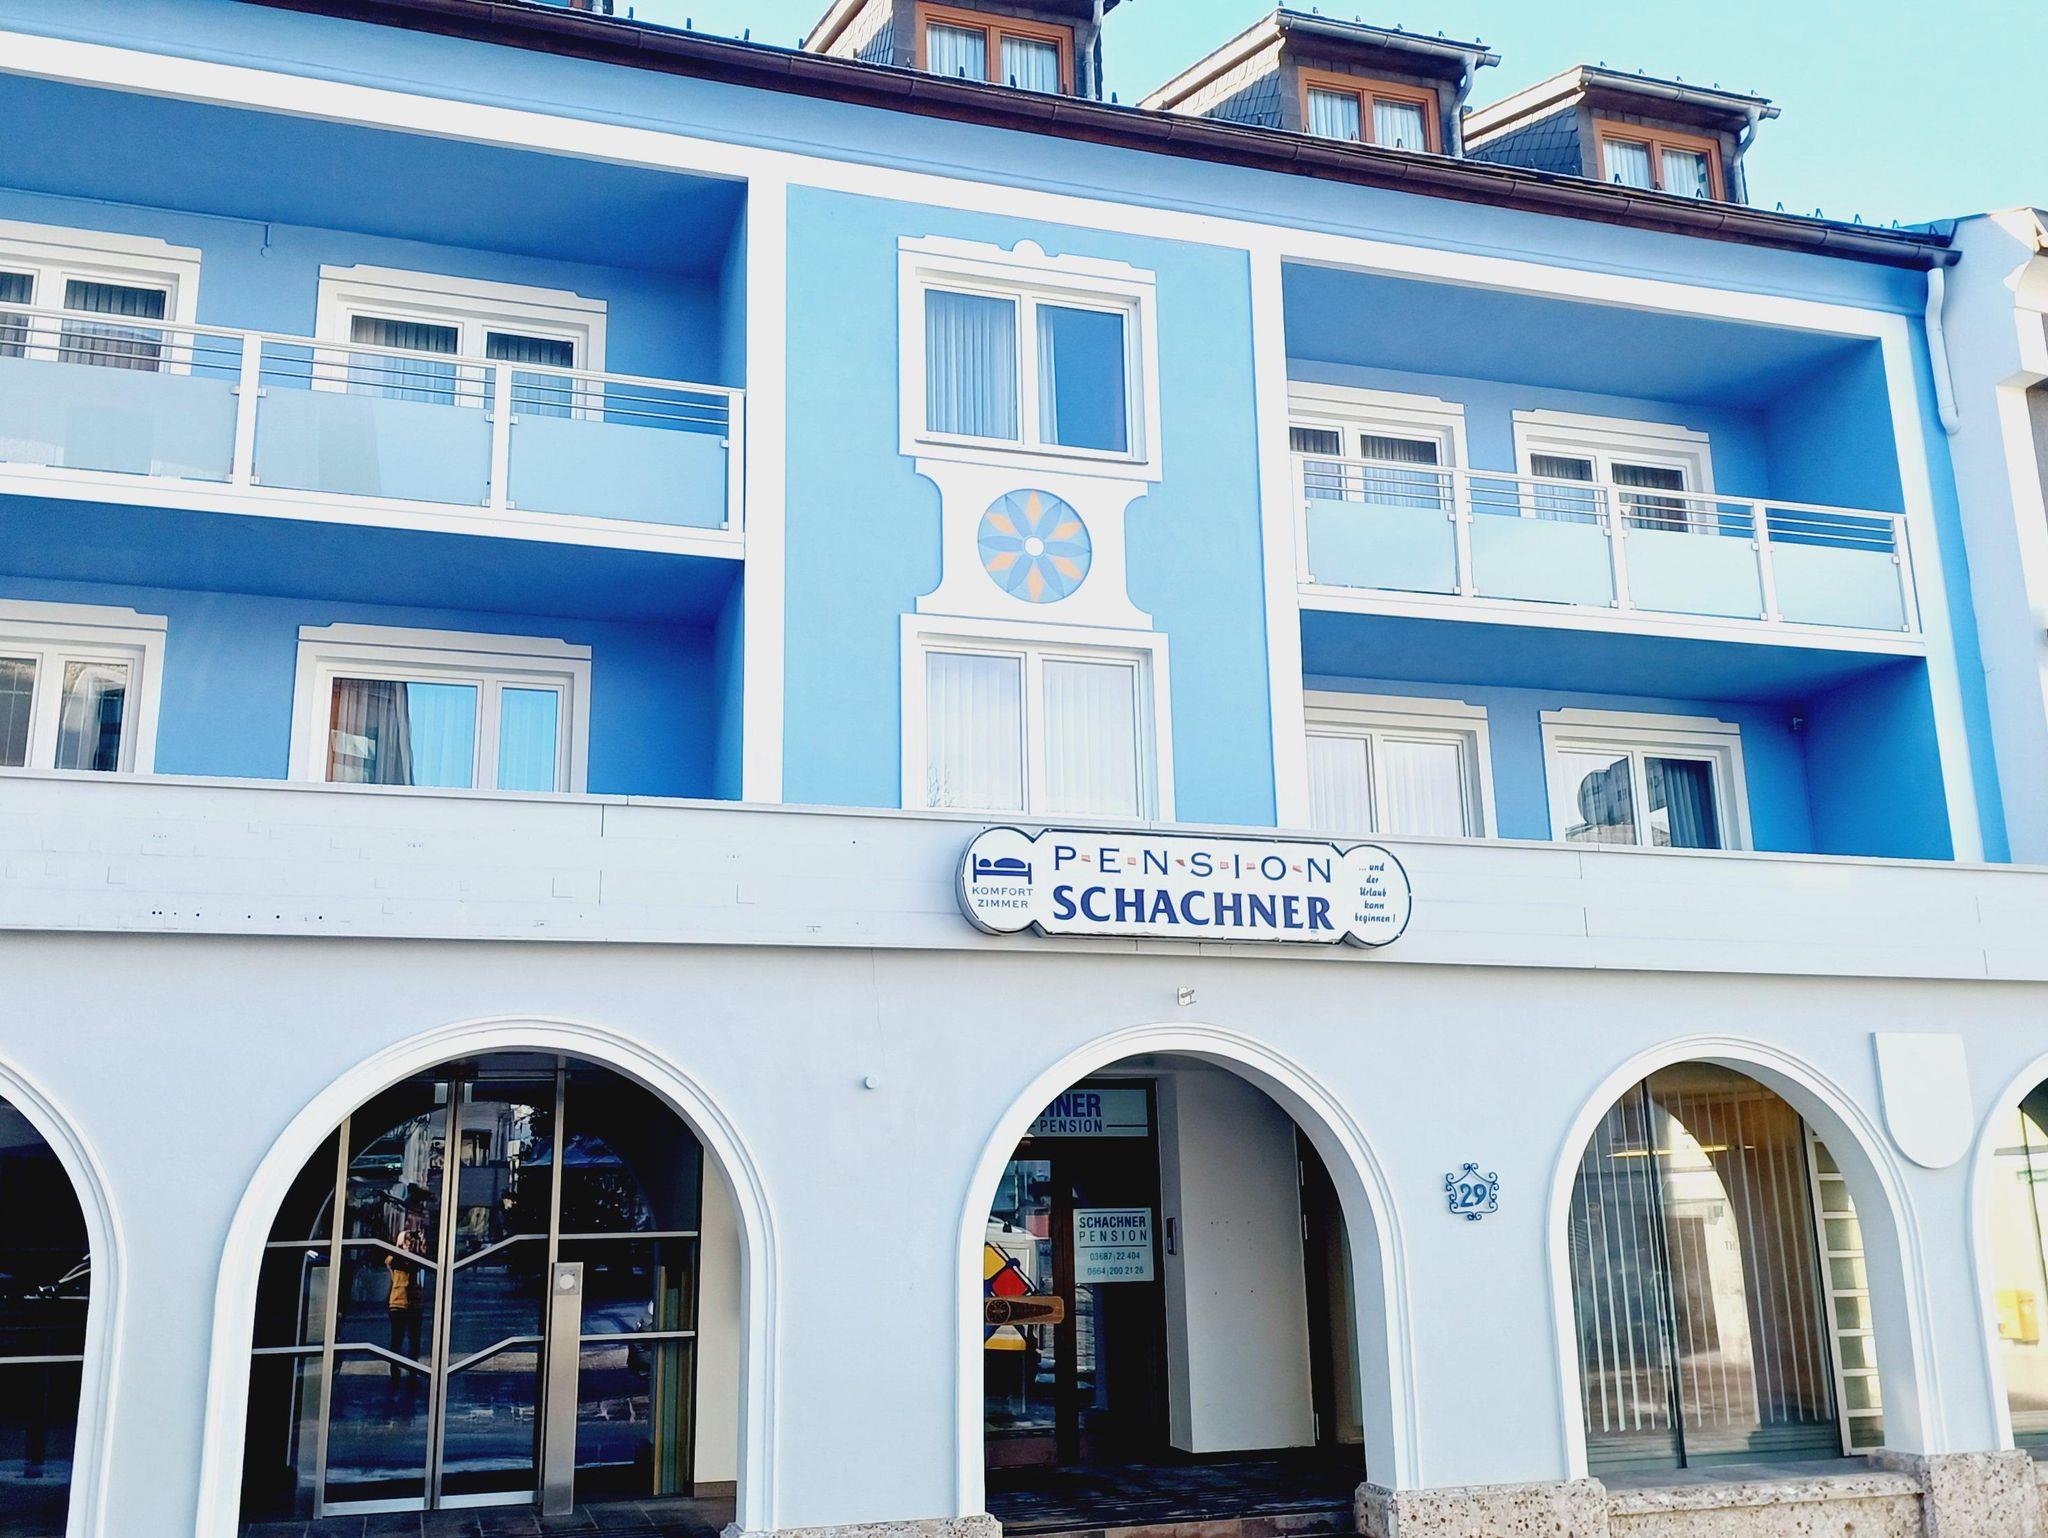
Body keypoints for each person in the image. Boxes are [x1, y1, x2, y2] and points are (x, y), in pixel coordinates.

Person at [387, 1220, 428, 1384]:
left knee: (414, 1339)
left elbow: (426, 1261)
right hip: (398, 1302)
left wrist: (421, 1243)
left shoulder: (417, 1259)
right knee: (397, 1338)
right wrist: (401, 1244)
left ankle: (412, 1370)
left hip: (414, 1303)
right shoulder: (396, 1259)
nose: (410, 1243)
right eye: (408, 1240)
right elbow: (390, 1261)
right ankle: (395, 1368)